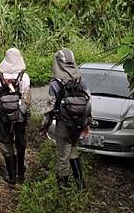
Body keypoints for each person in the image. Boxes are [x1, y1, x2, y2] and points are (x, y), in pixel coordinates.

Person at [40, 48, 91, 188]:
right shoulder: (80, 80)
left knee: (63, 155)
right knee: (73, 149)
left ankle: (63, 188)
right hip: (78, 124)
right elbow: (88, 102)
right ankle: (81, 184)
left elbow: (49, 108)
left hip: (64, 124)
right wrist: (86, 124)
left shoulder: (56, 83)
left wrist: (44, 125)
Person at [0, 48, 31, 185]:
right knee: (20, 142)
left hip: (3, 114)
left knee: (5, 141)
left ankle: (11, 176)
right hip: (20, 115)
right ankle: (21, 173)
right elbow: (26, 97)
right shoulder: (24, 76)